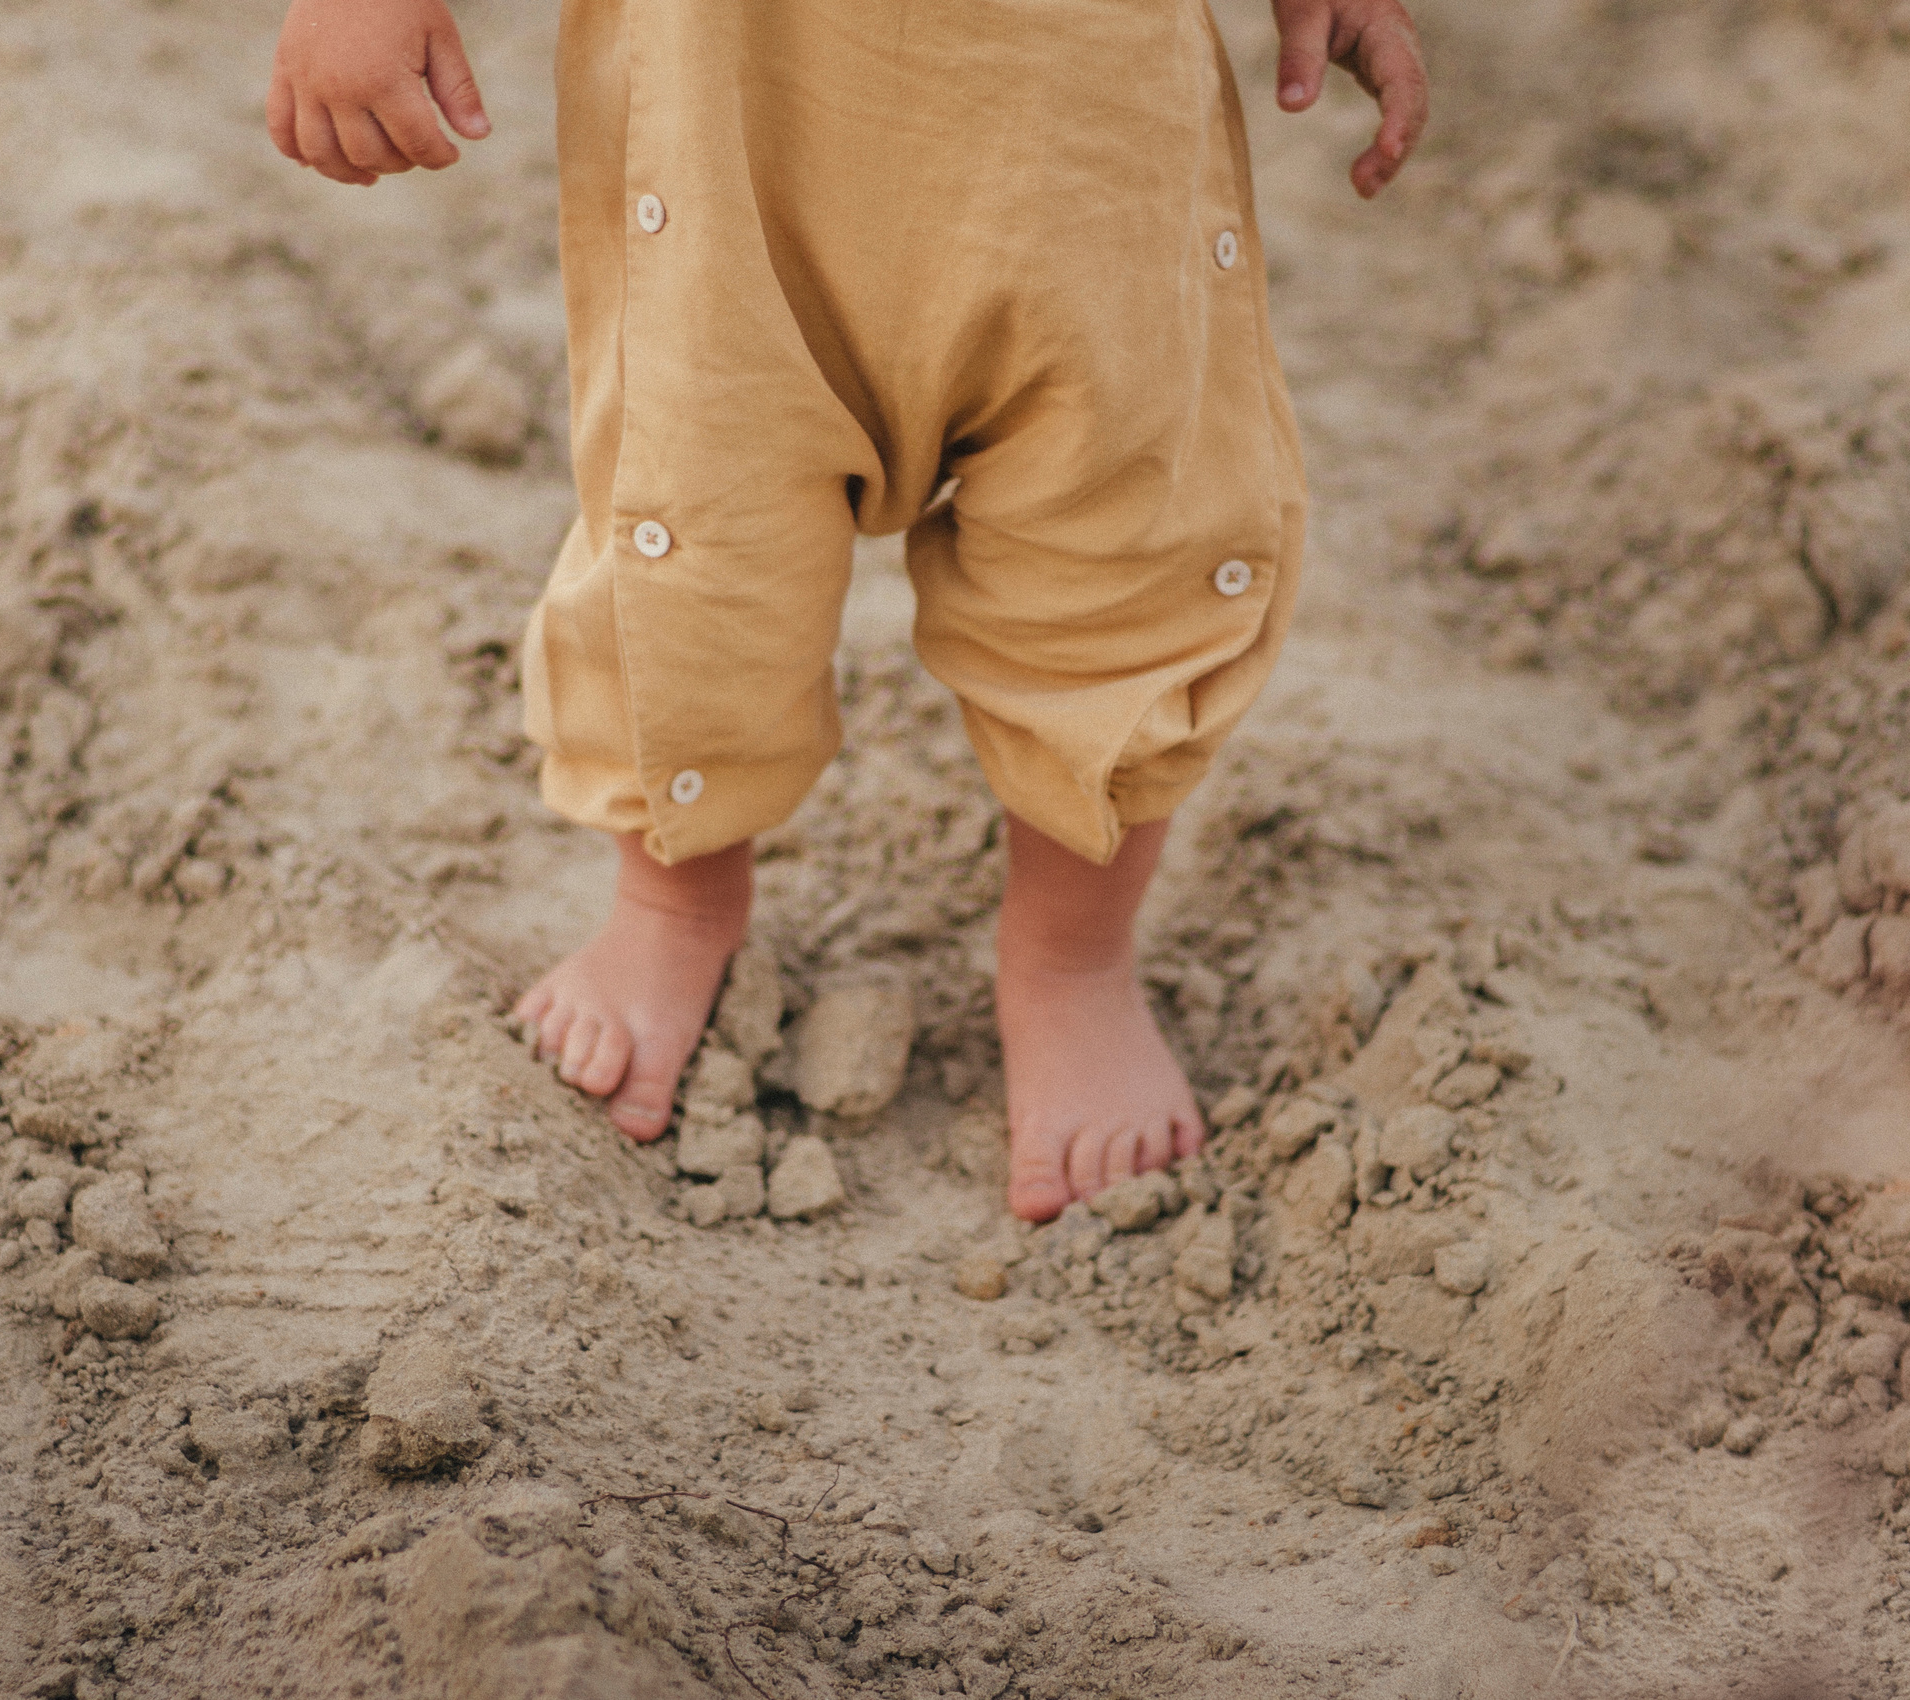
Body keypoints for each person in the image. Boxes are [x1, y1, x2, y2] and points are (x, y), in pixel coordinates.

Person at [268, 0, 1427, 1221]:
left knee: (1130, 550)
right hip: (733, 141)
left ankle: (1070, 956)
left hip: (1091, 155)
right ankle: (677, 896)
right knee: (696, 540)